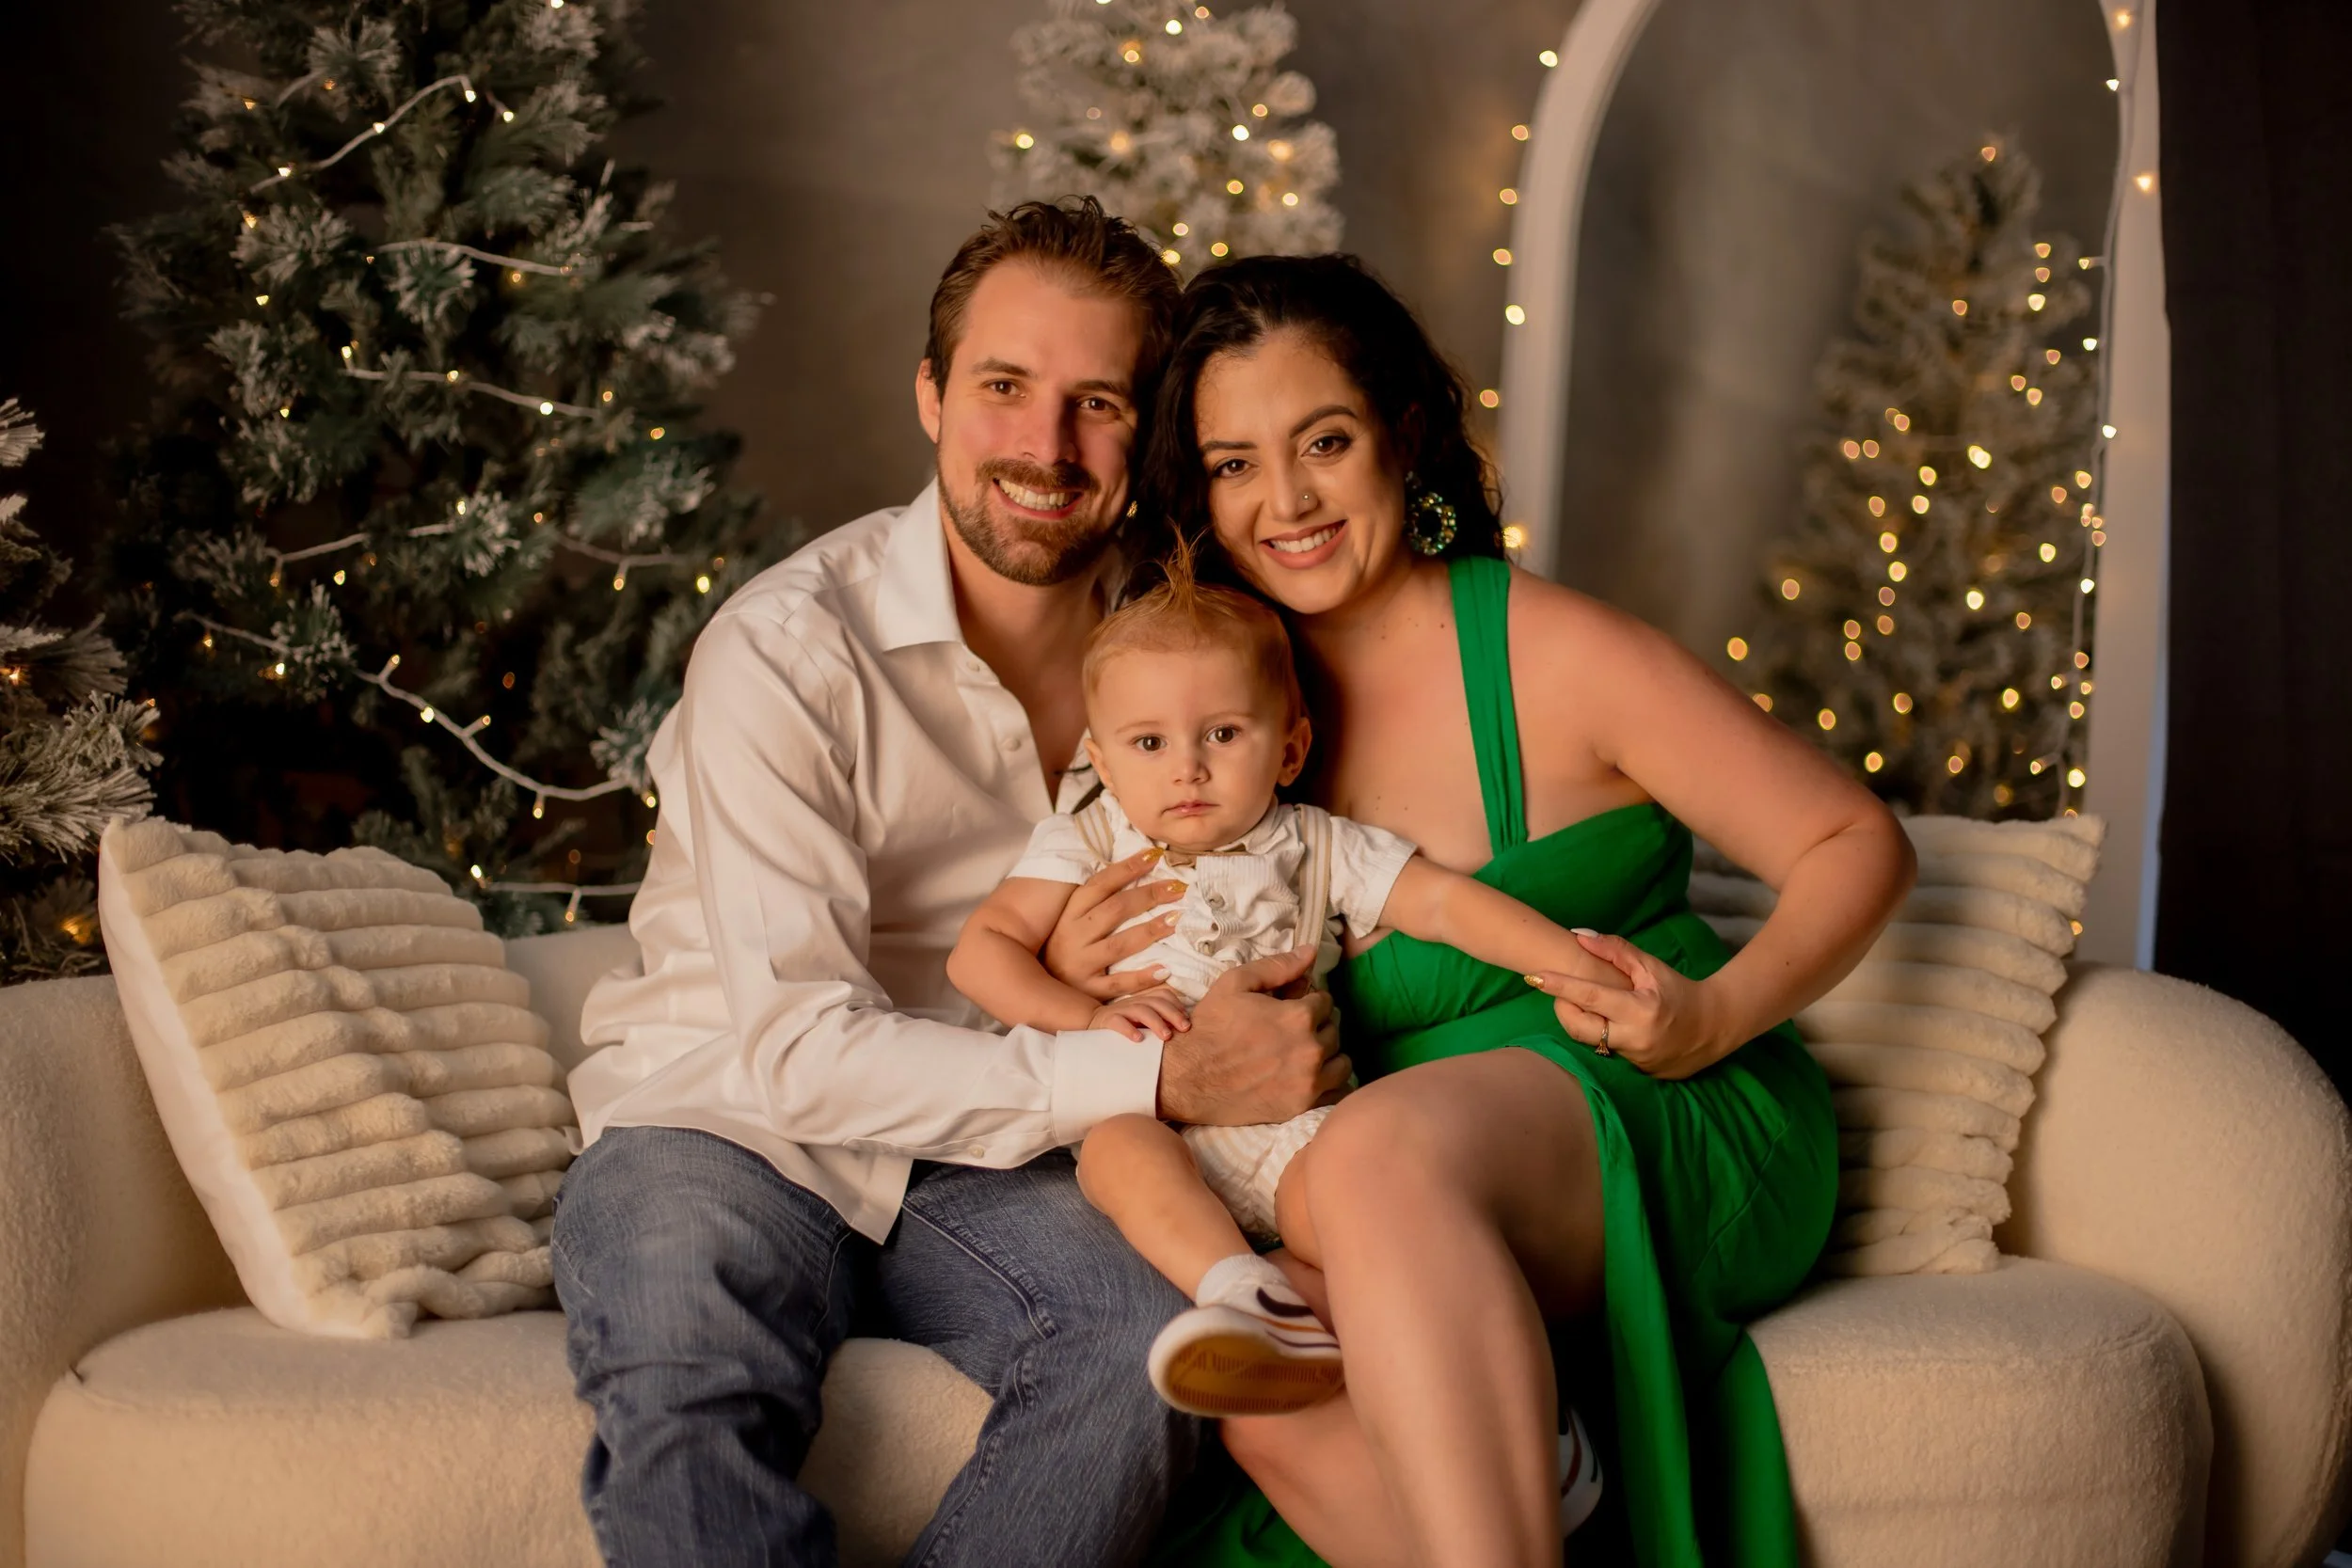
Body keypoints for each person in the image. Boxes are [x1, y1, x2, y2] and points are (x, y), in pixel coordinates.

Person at [550, 199, 1348, 1568]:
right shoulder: (788, 651)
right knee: (687, 1378)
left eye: (1099, 403)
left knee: (1145, 1349)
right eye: (1003, 388)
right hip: (722, 1111)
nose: (1045, 449)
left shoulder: (1191, 657)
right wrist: (1152, 1077)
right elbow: (797, 1049)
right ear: (932, 397)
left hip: (994, 1152)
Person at [1093, 254, 1917, 1568]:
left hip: (1661, 1097)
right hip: (1394, 1171)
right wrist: (1087, 953)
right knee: (1269, 1386)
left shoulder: (1551, 648)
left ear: (1403, 435)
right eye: (1237, 463)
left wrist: (1714, 1016)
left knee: (1365, 1163)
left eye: (1326, 441)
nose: (1287, 501)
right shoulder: (1211, 698)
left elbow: (1851, 838)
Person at [946, 546, 1629, 1465]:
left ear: (1289, 745)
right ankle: (1242, 1295)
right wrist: (1081, 1014)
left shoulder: (1314, 843)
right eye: (1148, 743)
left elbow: (1441, 901)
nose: (1186, 768)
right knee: (1114, 1151)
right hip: (1155, 1117)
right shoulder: (1086, 838)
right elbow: (979, 953)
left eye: (1222, 733)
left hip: (1292, 1130)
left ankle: (1535, 1433)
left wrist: (1570, 963)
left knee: (1358, 1232)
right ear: (1102, 758)